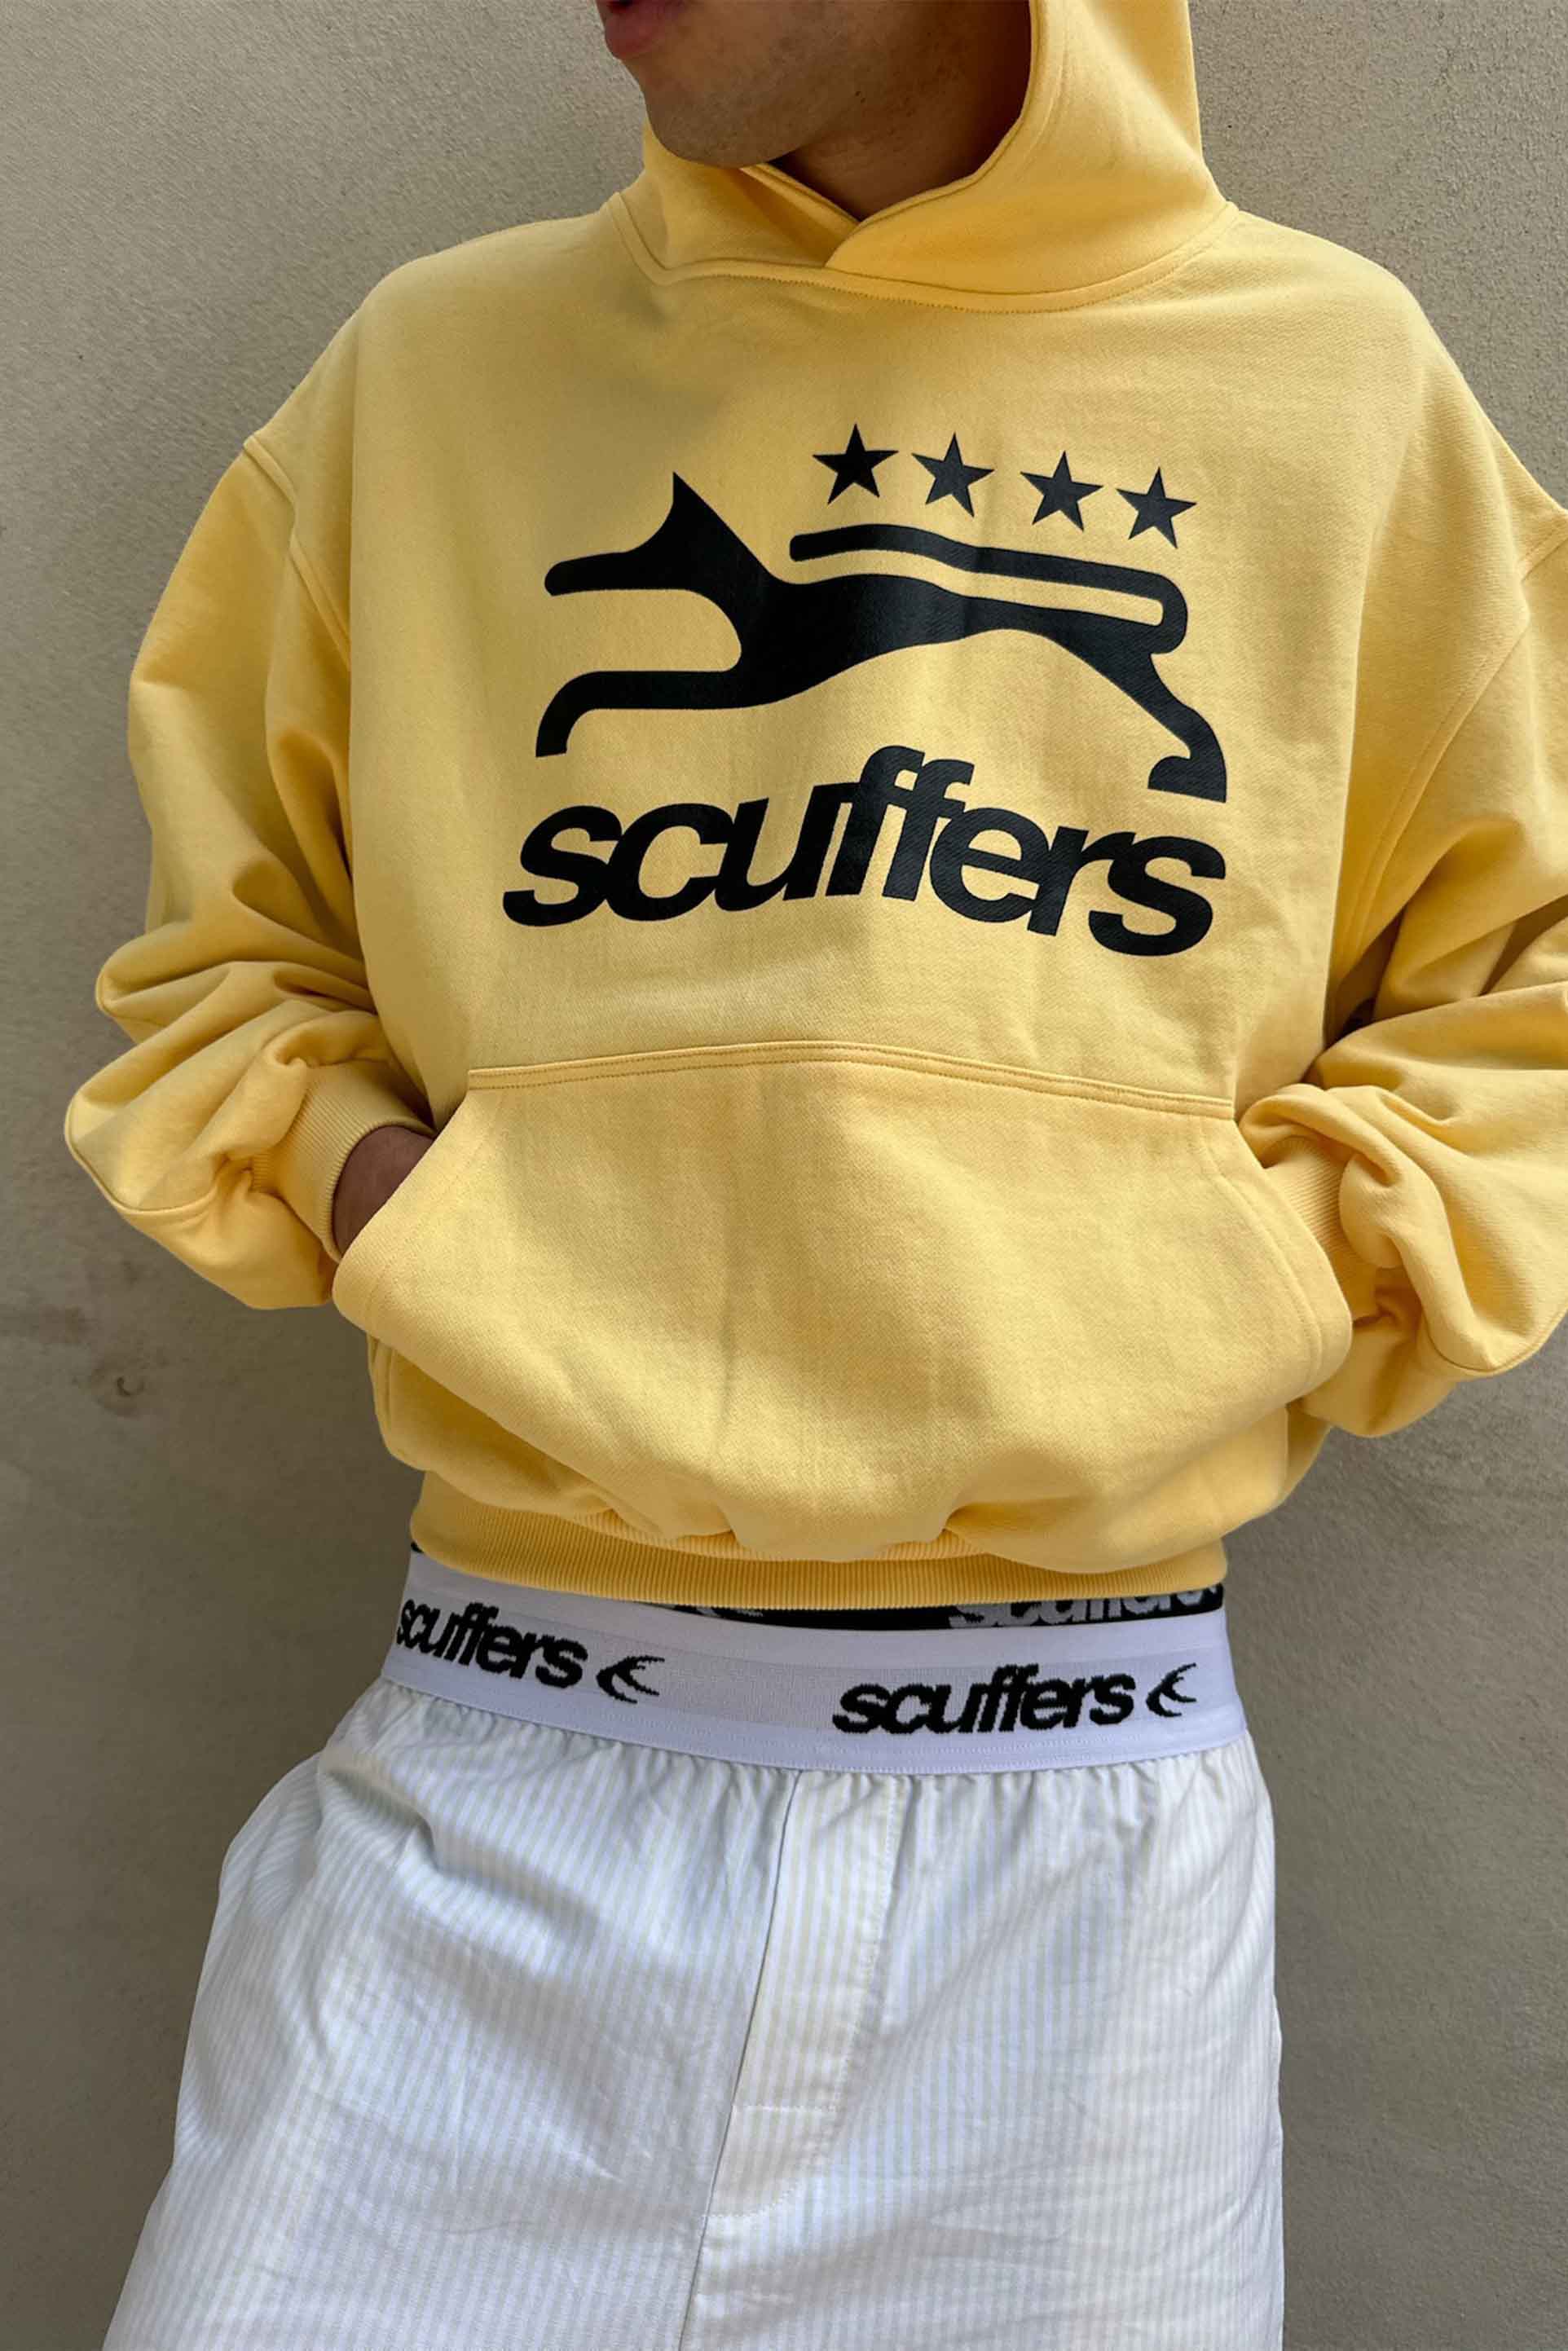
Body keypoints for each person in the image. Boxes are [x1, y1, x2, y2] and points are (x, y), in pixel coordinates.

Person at [64, 0, 1568, 2344]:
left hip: (1075, 1903)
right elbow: (221, 974)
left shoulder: (1338, 386)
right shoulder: (434, 374)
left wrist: (1251, 1277)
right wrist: (402, 1209)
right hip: (489, 1810)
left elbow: (1529, 994)